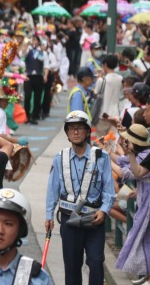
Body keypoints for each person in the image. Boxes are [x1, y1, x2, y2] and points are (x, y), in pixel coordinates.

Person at [45, 111, 116, 285]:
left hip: (94, 219)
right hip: (69, 220)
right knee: (72, 266)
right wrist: (49, 215)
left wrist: (104, 211)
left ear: (86, 131)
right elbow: (52, 189)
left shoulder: (101, 157)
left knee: (96, 261)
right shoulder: (59, 158)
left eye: (79, 128)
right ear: (67, 133)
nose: (75, 132)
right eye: (71, 129)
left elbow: (109, 190)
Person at [114, 124, 150, 283]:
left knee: (144, 237)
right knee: (144, 237)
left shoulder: (145, 154)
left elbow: (135, 173)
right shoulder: (143, 153)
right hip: (144, 200)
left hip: (147, 202)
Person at [93, 54, 122, 137]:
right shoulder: (120, 78)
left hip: (103, 114)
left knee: (100, 139)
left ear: (105, 65)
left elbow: (95, 94)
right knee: (111, 141)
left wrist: (99, 77)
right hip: (115, 114)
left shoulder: (102, 80)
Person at [23, 35, 46, 125]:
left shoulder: (42, 52)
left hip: (38, 75)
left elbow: (46, 63)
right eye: (33, 40)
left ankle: (34, 116)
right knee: (27, 96)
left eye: (36, 40)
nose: (34, 41)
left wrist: (45, 75)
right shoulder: (28, 50)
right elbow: (22, 55)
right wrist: (25, 46)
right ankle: (26, 116)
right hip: (28, 75)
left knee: (37, 97)